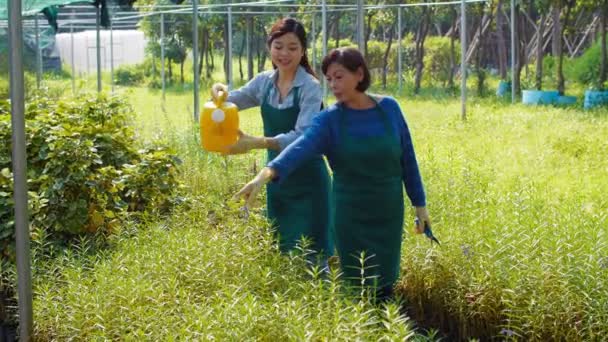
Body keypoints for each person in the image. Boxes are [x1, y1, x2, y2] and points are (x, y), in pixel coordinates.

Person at [235, 47, 431, 301]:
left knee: (385, 280)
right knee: (355, 282)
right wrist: (266, 173)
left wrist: (420, 206)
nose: (333, 85)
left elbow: (408, 159)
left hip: (388, 211)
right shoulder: (329, 120)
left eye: (339, 77)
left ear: (359, 74)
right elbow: (300, 148)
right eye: (328, 78)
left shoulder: (390, 109)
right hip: (350, 213)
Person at [211, 18, 332, 260]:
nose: (284, 53)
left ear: (303, 50)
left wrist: (255, 142)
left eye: (292, 47)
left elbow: (303, 136)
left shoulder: (310, 87)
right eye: (278, 46)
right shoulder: (263, 83)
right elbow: (231, 101)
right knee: (282, 252)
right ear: (270, 47)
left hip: (308, 180)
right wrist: (218, 92)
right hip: (277, 180)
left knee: (314, 258)